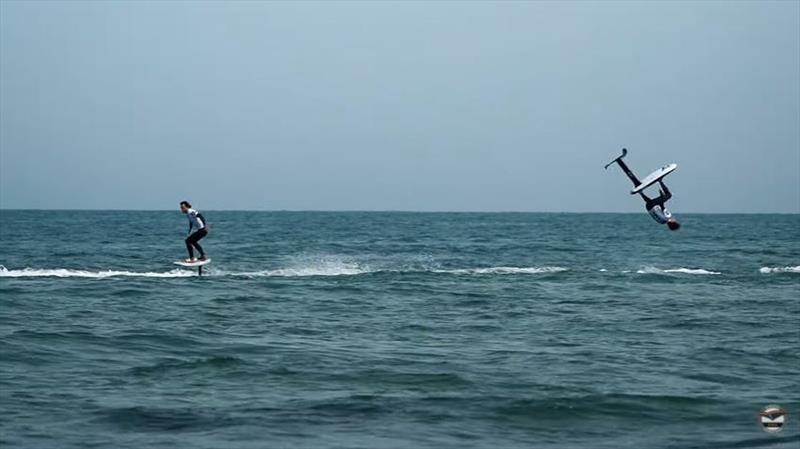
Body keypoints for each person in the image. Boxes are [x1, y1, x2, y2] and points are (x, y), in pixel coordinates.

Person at [606, 149, 681, 231]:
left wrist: (662, 196)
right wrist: (642, 193)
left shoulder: (668, 218)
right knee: (639, 187)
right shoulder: (662, 222)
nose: (675, 219)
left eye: (675, 221)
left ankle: (660, 181)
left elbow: (662, 206)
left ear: (674, 222)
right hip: (648, 207)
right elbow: (656, 206)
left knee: (668, 195)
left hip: (652, 205)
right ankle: (638, 187)